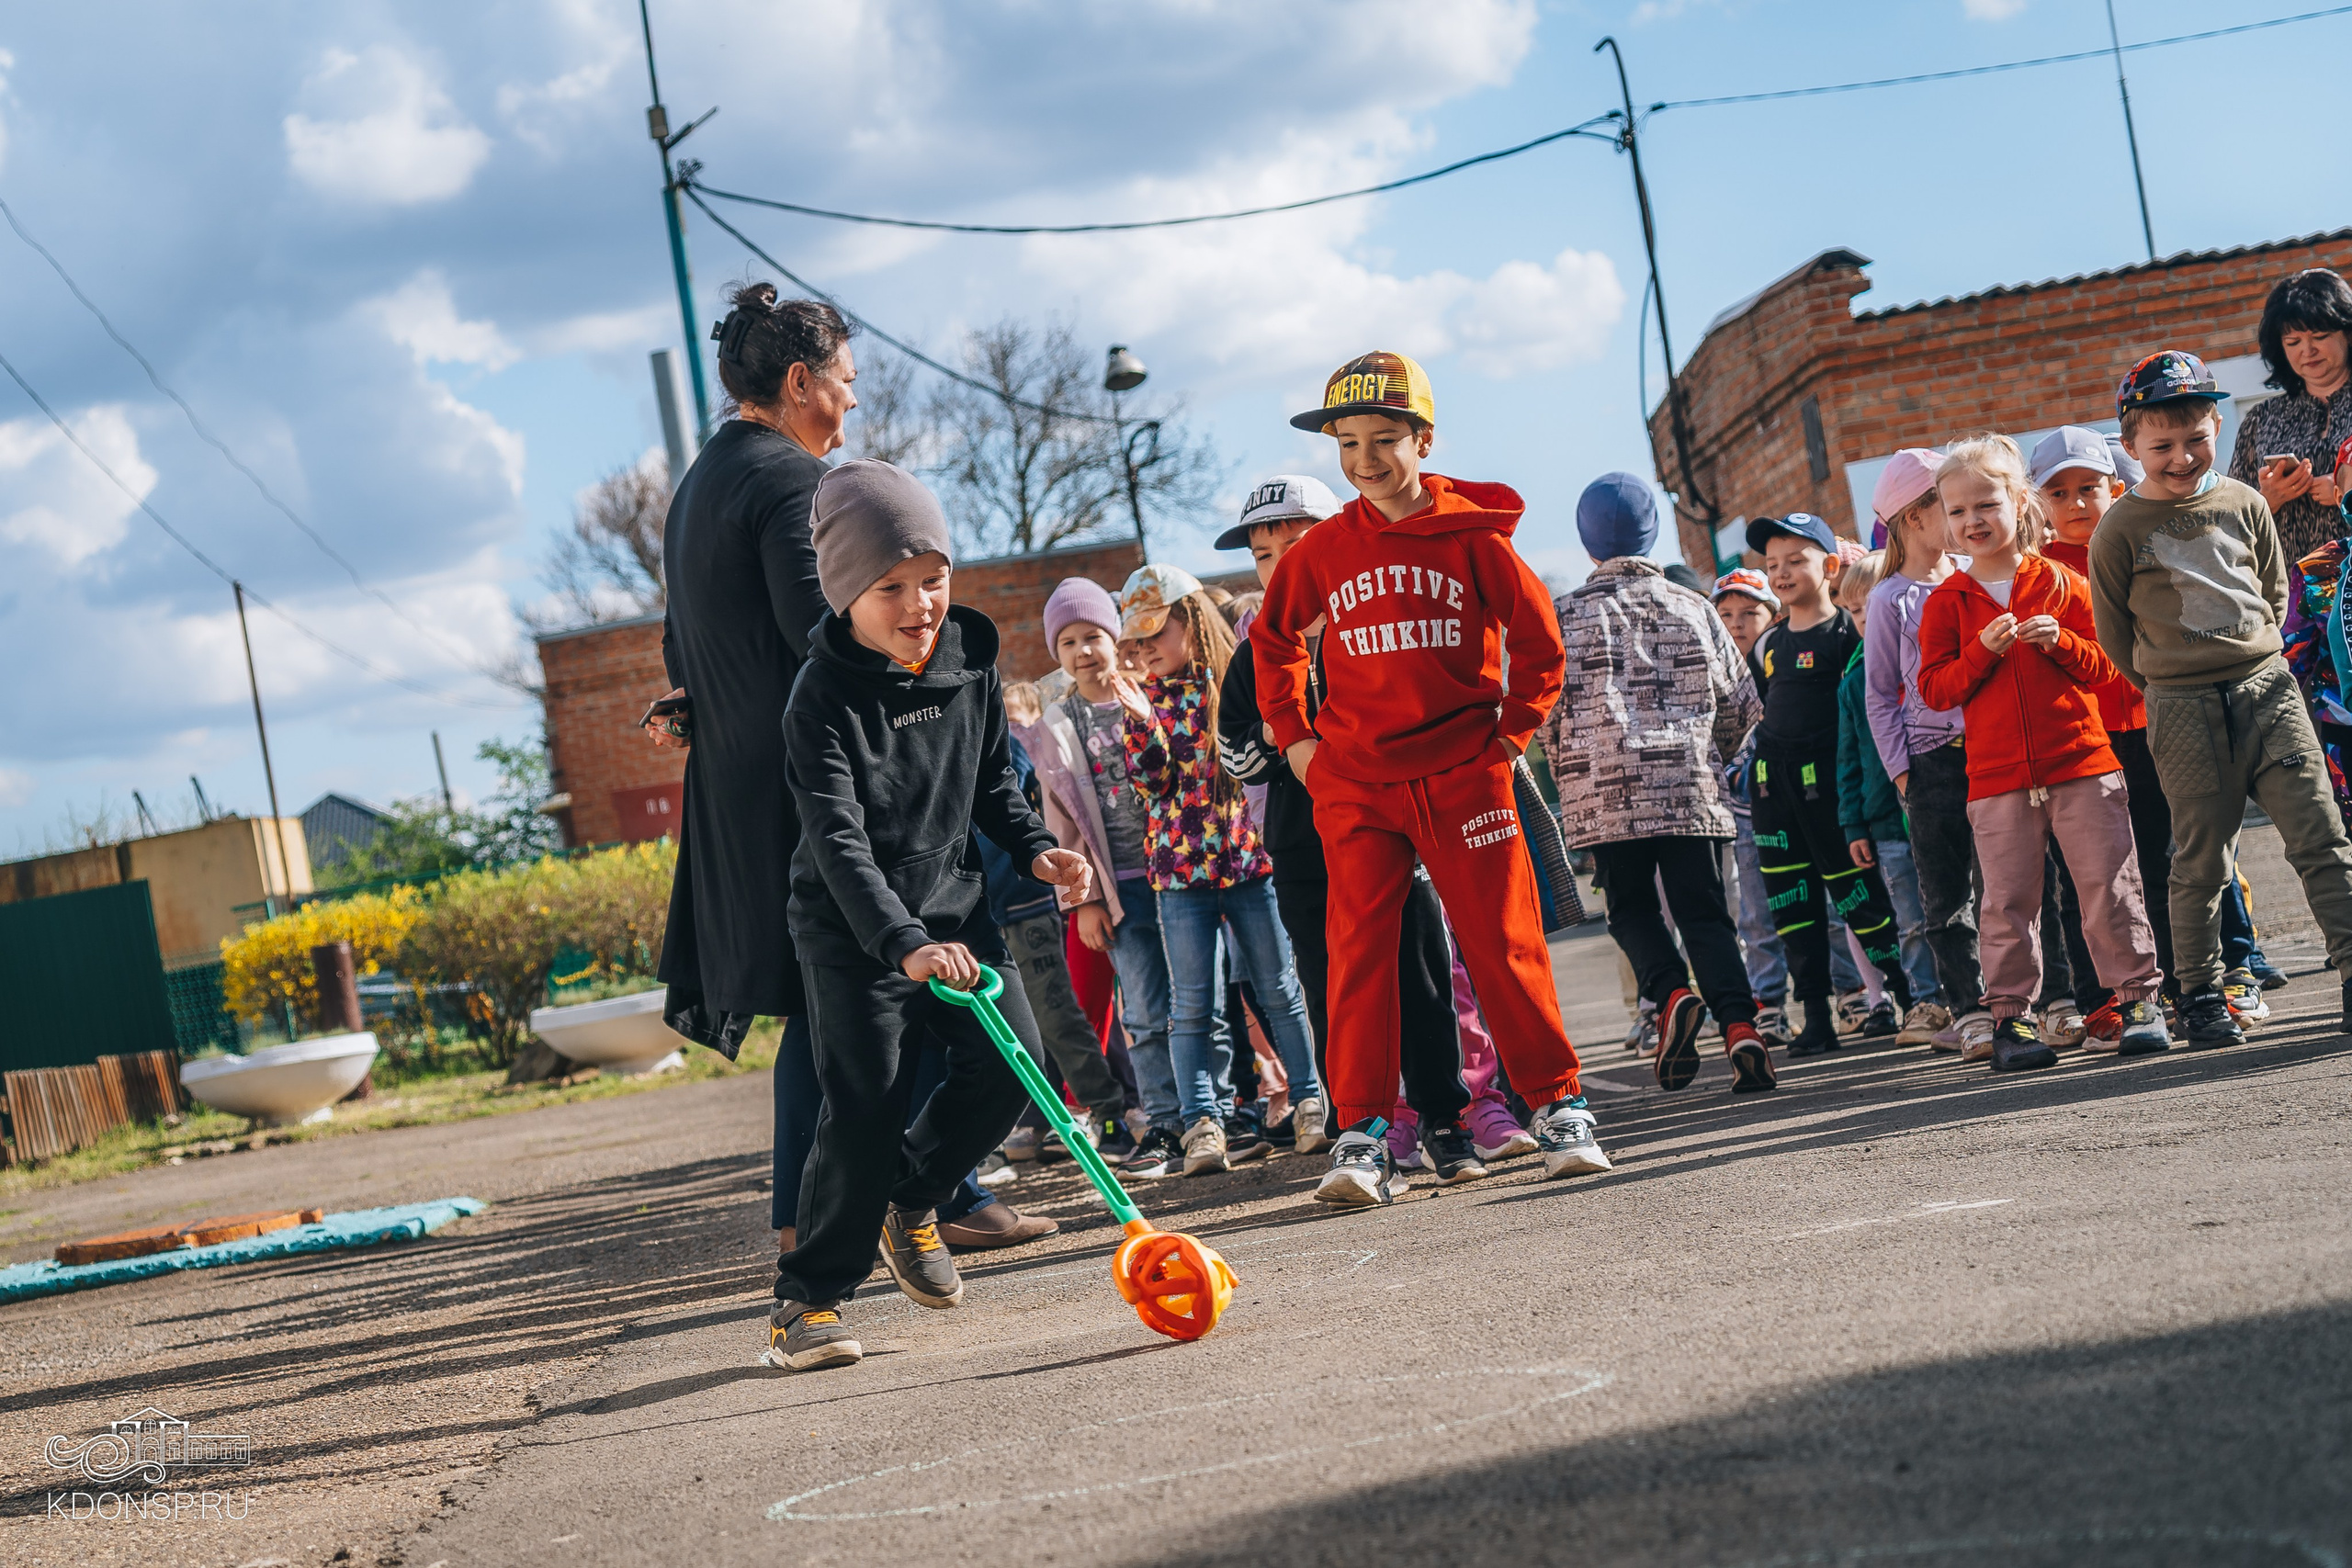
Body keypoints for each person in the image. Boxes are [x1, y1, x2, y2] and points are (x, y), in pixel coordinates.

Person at [1255, 350, 1611, 1202]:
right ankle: (1365, 1132)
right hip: (1359, 785)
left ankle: (1561, 1108)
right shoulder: (1325, 549)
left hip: (1464, 772)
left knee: (1502, 939)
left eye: (1384, 439)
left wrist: (1510, 737)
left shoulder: (1472, 536)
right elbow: (1272, 643)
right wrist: (1299, 745)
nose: (1365, 460)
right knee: (1359, 955)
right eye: (1347, 442)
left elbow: (1540, 647)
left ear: (1424, 438)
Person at [766, 460, 1093, 1371]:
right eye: (891, 587)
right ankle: (807, 1302)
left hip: (955, 915)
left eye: (933, 579)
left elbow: (994, 780)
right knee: (862, 1110)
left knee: (1010, 1070)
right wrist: (902, 942)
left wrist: (1033, 845)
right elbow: (836, 843)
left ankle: (912, 1204)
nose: (919, 605)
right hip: (853, 931)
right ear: (844, 593)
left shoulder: (969, 663)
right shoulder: (821, 699)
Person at [1215, 475, 1488, 1190]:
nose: (1280, 567)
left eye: (1296, 546)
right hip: (1305, 847)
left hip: (1398, 832)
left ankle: (1446, 1121)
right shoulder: (1254, 654)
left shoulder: (1374, 625)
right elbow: (1233, 751)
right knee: (1331, 984)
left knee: (1419, 976)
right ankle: (1360, 1133)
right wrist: (1292, 733)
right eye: (1264, 556)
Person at [650, 285, 843, 1256]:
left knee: (831, 1003)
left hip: (734, 782)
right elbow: (821, 639)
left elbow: (688, 646)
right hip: (803, 787)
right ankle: (911, 1196)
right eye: (843, 385)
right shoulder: (787, 480)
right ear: (800, 381)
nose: (849, 409)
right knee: (854, 989)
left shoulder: (701, 483)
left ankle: (827, 1214)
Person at [2091, 349, 2352, 1045]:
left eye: (2197, 438)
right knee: (2202, 855)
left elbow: (2271, 589)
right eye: (2162, 445)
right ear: (2131, 444)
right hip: (2182, 707)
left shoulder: (2241, 502)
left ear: (2218, 425)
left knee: (2321, 834)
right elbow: (2116, 632)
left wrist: (2250, 654)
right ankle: (2200, 989)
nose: (2181, 456)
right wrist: (2170, 681)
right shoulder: (2118, 528)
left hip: (2268, 690)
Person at [1914, 436, 2168, 1067]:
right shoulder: (1946, 601)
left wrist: (2063, 646)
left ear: (2019, 503)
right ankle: (2012, 1020)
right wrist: (1983, 653)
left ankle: (2137, 1000)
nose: (1973, 520)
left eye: (1986, 504)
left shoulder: (2061, 581)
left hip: (2083, 762)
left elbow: (2112, 669)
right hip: (1996, 778)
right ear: (1944, 521)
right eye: (1957, 510)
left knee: (2109, 885)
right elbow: (1933, 688)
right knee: (2005, 902)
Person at [1541, 473, 1773, 1094]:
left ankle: (1670, 993)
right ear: (1653, 533)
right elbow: (1742, 703)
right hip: (1689, 785)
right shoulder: (1694, 606)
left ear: (1587, 543)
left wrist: (1570, 767)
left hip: (1605, 797)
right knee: (1706, 916)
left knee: (1631, 909)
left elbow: (1543, 713)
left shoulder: (1560, 616)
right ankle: (1741, 1027)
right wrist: (1712, 754)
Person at [1114, 561, 1325, 1179]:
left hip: (1249, 863)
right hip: (1179, 877)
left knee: (1279, 987)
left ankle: (1312, 1098)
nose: (1146, 647)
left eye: (1157, 632)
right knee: (1192, 1004)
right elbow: (1152, 787)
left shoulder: (1233, 682)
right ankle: (1202, 1120)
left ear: (1191, 621)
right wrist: (1143, 727)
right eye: (1138, 637)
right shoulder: (1143, 698)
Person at [1023, 577, 1191, 1178]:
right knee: (1143, 1009)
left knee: (1198, 1001)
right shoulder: (1057, 724)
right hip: (1117, 888)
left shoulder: (1147, 696)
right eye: (1067, 642)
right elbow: (1061, 823)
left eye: (1092, 634)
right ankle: (1164, 1121)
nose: (1083, 650)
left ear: (1115, 636)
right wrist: (1083, 900)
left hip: (1180, 875)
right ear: (1057, 654)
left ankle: (1214, 1113)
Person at [2030, 425, 2182, 1046]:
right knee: (2086, 875)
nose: (2074, 504)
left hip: (2151, 725)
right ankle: (2100, 997)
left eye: (2087, 488)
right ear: (2038, 505)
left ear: (2115, 488)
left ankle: (2174, 982)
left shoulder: (2138, 546)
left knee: (2159, 860)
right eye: (2058, 492)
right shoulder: (2035, 572)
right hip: (2082, 740)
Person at [1744, 512, 1914, 1060]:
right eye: (1772, 565)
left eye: (1797, 560)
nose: (1783, 573)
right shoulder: (1767, 644)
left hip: (1834, 797)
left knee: (1861, 900)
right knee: (1792, 908)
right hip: (1774, 795)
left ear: (1831, 565)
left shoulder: (1849, 632)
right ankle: (1815, 1014)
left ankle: (1912, 994)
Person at [1863, 451, 1994, 1057]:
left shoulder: (1977, 573)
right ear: (1913, 519)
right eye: (1947, 504)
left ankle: (2023, 997)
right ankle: (1970, 1009)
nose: (1963, 517)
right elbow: (1880, 696)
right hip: (1932, 764)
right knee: (1947, 896)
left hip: (1996, 751)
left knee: (2008, 883)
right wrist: (1904, 771)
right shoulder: (1889, 599)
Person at [974, 716, 1132, 1174]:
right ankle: (1017, 1129)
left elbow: (1014, 783)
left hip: (1022, 904)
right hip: (967, 912)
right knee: (987, 1033)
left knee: (1055, 1015)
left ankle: (1107, 1113)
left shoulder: (985, 732)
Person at [1834, 550, 1943, 1038]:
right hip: (1885, 822)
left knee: (1955, 902)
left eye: (1870, 607)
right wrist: (1853, 824)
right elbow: (1849, 758)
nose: (1863, 619)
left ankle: (1972, 992)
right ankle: (1924, 1000)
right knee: (1911, 919)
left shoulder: (1927, 656)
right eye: (1854, 611)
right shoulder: (1853, 680)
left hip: (1940, 803)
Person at [2228, 268, 2352, 562]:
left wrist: (2344, 493)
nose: (2307, 351)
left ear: (2347, 332)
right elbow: (2229, 521)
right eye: (2293, 342)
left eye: (2319, 336)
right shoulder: (2261, 420)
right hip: (2291, 594)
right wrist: (2266, 499)